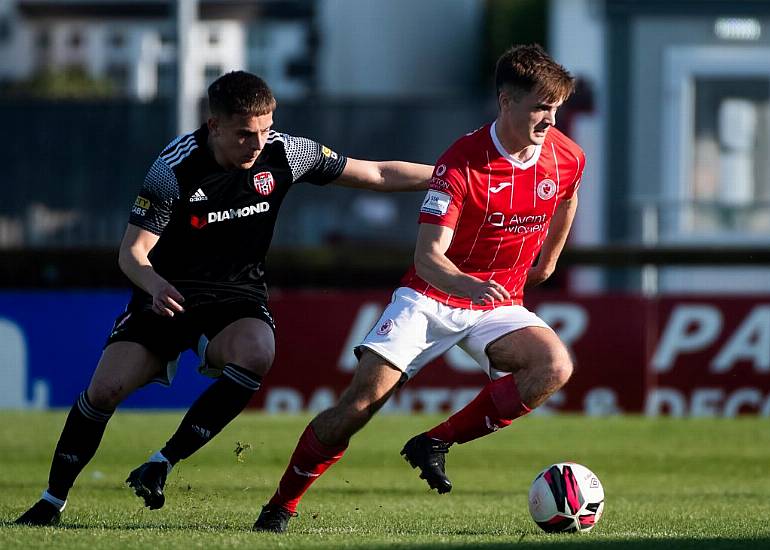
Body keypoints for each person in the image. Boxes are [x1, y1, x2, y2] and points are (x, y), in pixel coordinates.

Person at [15, 70, 433, 526]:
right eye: (244, 134)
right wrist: (154, 286)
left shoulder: (288, 153)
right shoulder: (173, 167)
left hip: (236, 295)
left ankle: (161, 462)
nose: (257, 144)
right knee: (104, 391)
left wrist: (449, 178)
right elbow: (132, 253)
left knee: (258, 353)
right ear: (214, 126)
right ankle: (50, 502)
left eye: (265, 130)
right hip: (167, 293)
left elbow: (374, 172)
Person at [253, 44, 584, 533]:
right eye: (540, 106)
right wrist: (468, 285)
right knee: (359, 406)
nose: (549, 119)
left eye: (556, 108)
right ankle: (281, 504)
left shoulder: (565, 155)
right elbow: (427, 259)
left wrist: (549, 261)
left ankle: (435, 442)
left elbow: (568, 197)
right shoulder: (461, 164)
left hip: (496, 303)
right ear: (506, 102)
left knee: (553, 365)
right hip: (431, 297)